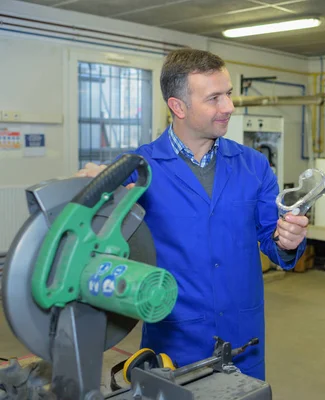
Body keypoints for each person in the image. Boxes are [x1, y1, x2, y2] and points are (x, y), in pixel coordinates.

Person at [76, 49, 308, 380]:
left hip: (244, 337)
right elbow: (93, 221)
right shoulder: (140, 169)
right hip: (175, 339)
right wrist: (92, 182)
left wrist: (288, 240)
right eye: (214, 98)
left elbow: (273, 240)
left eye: (228, 94)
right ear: (178, 106)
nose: (228, 107)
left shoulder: (254, 165)